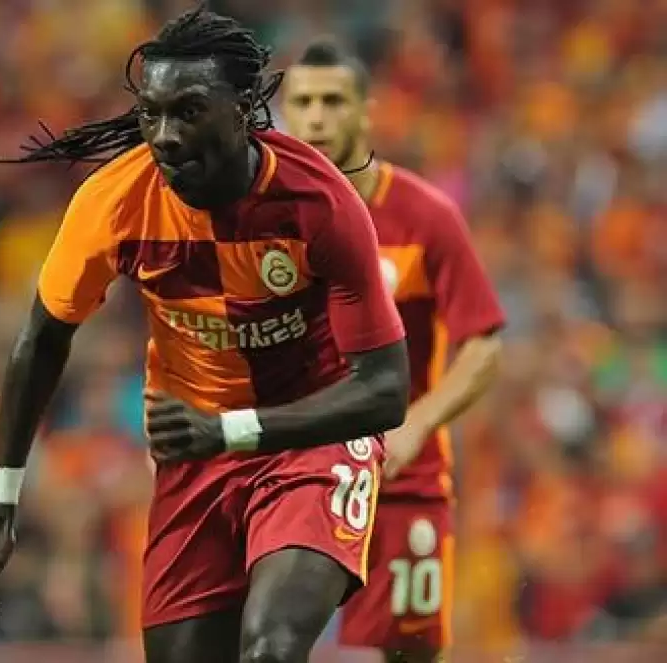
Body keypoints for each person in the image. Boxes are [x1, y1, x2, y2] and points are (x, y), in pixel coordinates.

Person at [0, 7, 411, 663]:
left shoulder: (321, 205)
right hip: (195, 453)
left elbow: (385, 392)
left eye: (188, 112)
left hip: (312, 439)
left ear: (243, 108)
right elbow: (42, 340)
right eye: (151, 114)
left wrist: (233, 430)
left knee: (271, 649)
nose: (164, 136)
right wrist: (0, 507)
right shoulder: (113, 202)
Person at [281, 39, 506, 663]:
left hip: (401, 479)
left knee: (408, 655)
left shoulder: (424, 216)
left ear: (365, 111)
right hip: (290, 476)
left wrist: (417, 425)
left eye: (333, 101)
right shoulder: (264, 218)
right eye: (304, 102)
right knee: (266, 644)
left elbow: (483, 344)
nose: (317, 117)